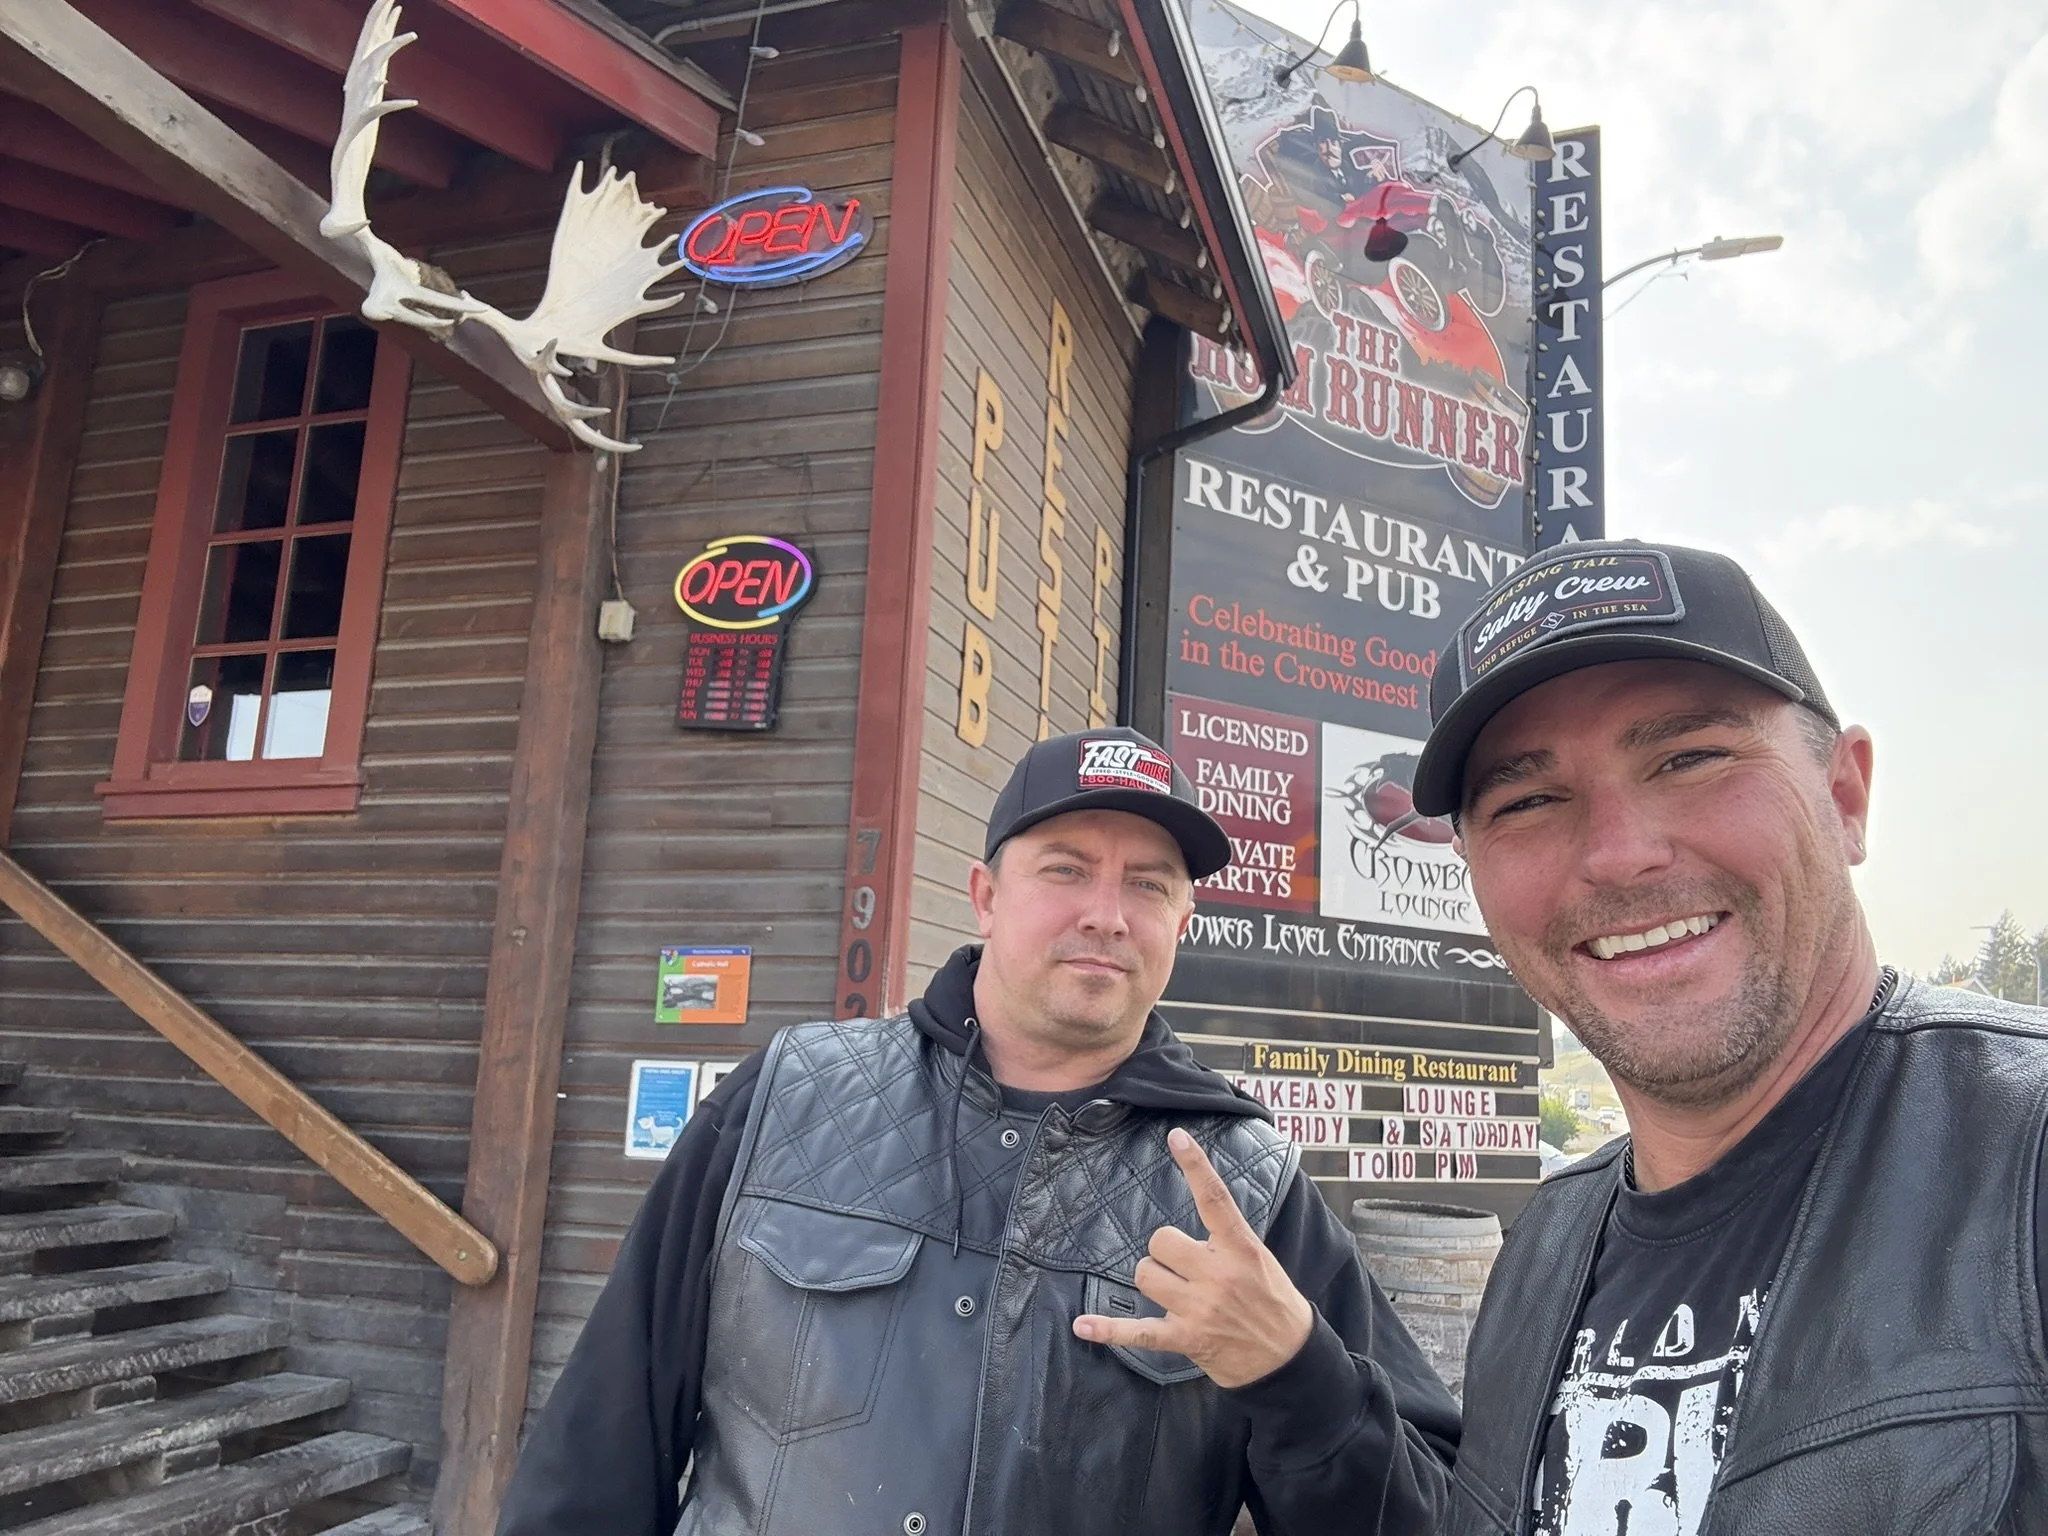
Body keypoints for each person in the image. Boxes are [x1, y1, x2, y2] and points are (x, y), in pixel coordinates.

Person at [496, 726, 1458, 1536]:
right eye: (1066, 870)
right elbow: (603, 1442)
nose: (1107, 915)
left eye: (1151, 885)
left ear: (1184, 919)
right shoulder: (787, 1097)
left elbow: (1425, 1509)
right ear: (987, 894)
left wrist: (1299, 1373)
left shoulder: (1247, 1189)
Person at [1412, 539, 2048, 1534]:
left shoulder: (2027, 1155)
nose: (1618, 855)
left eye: (1689, 758)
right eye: (1528, 799)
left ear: (1844, 795)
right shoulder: (1539, 1251)